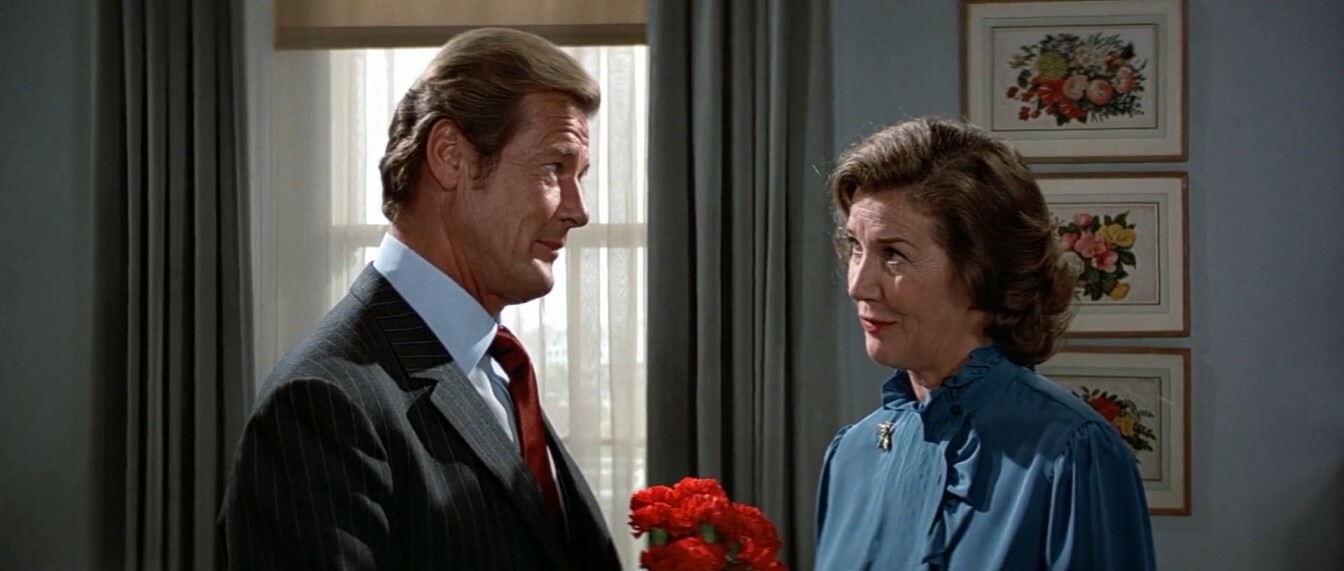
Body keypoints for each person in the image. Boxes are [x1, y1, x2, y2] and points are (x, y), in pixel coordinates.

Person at [220, 28, 622, 570]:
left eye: (580, 176)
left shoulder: (498, 369)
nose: (579, 210)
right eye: (554, 167)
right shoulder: (323, 404)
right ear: (450, 156)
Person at [813, 118, 1155, 570]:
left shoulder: (1071, 455)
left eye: (893, 254)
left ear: (982, 272)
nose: (858, 285)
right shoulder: (851, 456)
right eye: (856, 247)